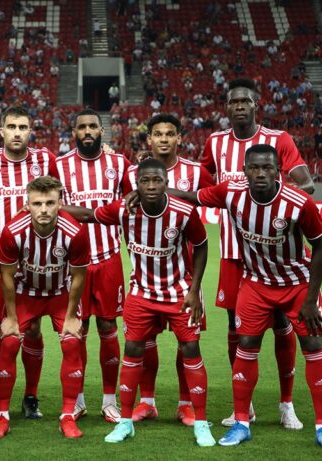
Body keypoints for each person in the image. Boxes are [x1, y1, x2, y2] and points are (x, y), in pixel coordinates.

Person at [171, 144, 322, 451]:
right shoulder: (231, 193)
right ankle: (242, 422)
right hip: (256, 283)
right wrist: (153, 192)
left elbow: (321, 247)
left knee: (314, 345)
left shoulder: (298, 203)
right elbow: (193, 196)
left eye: (267, 168)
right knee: (246, 344)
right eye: (254, 168)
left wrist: (310, 299)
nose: (261, 173)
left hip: (297, 284)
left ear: (278, 171)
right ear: (244, 171)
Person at [63, 158, 215, 447]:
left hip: (178, 293)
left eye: (157, 180)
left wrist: (194, 291)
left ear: (166, 182)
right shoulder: (124, 210)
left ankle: (202, 423)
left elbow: (202, 245)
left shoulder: (183, 212)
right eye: (145, 181)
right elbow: (90, 215)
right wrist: (55, 208)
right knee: (133, 350)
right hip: (142, 293)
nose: (152, 186)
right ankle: (125, 422)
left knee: (191, 349)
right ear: (137, 184)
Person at [201, 78, 314, 429]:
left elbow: (304, 179)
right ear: (227, 107)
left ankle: (286, 404)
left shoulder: (279, 139)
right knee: (236, 329)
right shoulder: (215, 142)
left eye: (245, 101)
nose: (239, 106)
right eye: (233, 101)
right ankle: (244, 406)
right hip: (234, 251)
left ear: (255, 105)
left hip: (275, 254)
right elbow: (202, 180)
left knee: (282, 323)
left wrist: (288, 195)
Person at [124, 114, 213, 427]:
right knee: (144, 340)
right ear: (149, 139)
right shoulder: (133, 172)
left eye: (170, 134)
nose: (163, 139)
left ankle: (186, 404)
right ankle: (146, 401)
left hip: (184, 274)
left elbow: (217, 198)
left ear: (179, 138)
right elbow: (120, 203)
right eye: (158, 134)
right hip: (146, 273)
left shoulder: (196, 172)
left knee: (186, 341)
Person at [0, 106, 60, 419]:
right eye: (11, 127)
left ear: (31, 130)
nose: (17, 133)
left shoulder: (45, 159)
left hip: (35, 258)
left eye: (23, 127)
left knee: (32, 328)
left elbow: (59, 198)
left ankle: (30, 396)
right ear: (1, 131)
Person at [0, 176, 89, 439]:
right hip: (25, 292)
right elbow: (7, 276)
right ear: (27, 204)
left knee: (72, 342)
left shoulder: (75, 232)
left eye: (50, 203)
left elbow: (78, 277)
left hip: (60, 293)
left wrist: (70, 317)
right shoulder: (13, 231)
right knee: (9, 341)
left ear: (60, 204)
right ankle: (2, 416)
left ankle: (67, 416)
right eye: (37, 203)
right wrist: (11, 317)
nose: (44, 209)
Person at [56, 109, 130, 423]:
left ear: (102, 131)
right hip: (74, 263)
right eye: (82, 127)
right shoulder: (59, 165)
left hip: (109, 258)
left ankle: (109, 400)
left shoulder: (119, 163)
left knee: (108, 327)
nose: (87, 131)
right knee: (78, 329)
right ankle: (77, 400)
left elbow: (130, 204)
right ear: (74, 132)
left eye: (93, 127)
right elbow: (53, 206)